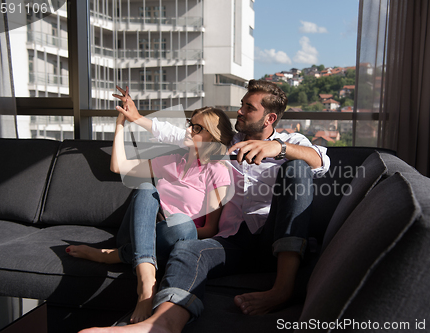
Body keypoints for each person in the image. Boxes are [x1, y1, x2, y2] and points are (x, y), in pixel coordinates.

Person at [79, 80, 330, 333]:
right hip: (232, 241)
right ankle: (161, 324)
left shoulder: (291, 141)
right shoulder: (225, 143)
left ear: (269, 117)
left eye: (248, 108)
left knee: (297, 166)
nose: (240, 111)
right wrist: (136, 118)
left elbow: (321, 160)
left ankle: (282, 290)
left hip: (270, 237)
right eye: (242, 105)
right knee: (188, 250)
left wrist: (279, 148)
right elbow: (180, 134)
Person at [67, 86, 235, 324]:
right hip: (136, 232)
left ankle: (116, 257)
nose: (188, 130)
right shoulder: (171, 160)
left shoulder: (217, 171)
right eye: (190, 123)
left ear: (211, 137)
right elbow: (118, 167)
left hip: (174, 236)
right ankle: (146, 284)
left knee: (180, 222)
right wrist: (121, 124)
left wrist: (163, 230)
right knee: (146, 188)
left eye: (197, 128)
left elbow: (209, 230)